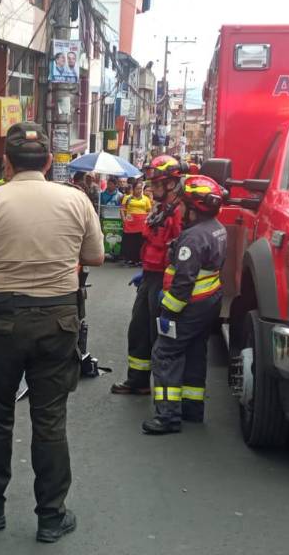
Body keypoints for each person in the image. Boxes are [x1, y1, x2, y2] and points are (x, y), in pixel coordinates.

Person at [0, 122, 104, 544]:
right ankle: (51, 517)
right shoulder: (76, 199)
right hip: (58, 321)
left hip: (1, 323)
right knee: (50, 420)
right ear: (50, 162)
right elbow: (96, 255)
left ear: (7, 163)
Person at [143, 176, 227, 434]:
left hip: (189, 306)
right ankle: (192, 408)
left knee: (165, 353)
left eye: (183, 205)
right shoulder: (217, 228)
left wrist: (168, 309)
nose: (179, 209)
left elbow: (183, 282)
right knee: (195, 352)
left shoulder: (192, 238)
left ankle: (167, 417)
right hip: (209, 303)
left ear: (194, 208)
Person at [112, 156, 186, 396]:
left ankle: (165, 396)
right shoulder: (161, 208)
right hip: (150, 276)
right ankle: (138, 381)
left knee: (160, 337)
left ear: (171, 184)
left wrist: (171, 284)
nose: (151, 189)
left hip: (165, 279)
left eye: (156, 185)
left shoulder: (179, 213)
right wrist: (145, 271)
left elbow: (180, 253)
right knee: (139, 329)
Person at [119, 181, 152, 266]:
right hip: (130, 222)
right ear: (133, 189)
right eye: (137, 188)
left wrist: (147, 220)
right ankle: (130, 259)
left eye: (140, 188)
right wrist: (124, 220)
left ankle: (140, 259)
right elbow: (122, 209)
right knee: (130, 240)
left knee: (140, 241)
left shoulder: (146, 199)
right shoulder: (127, 198)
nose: (139, 190)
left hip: (141, 223)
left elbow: (149, 211)